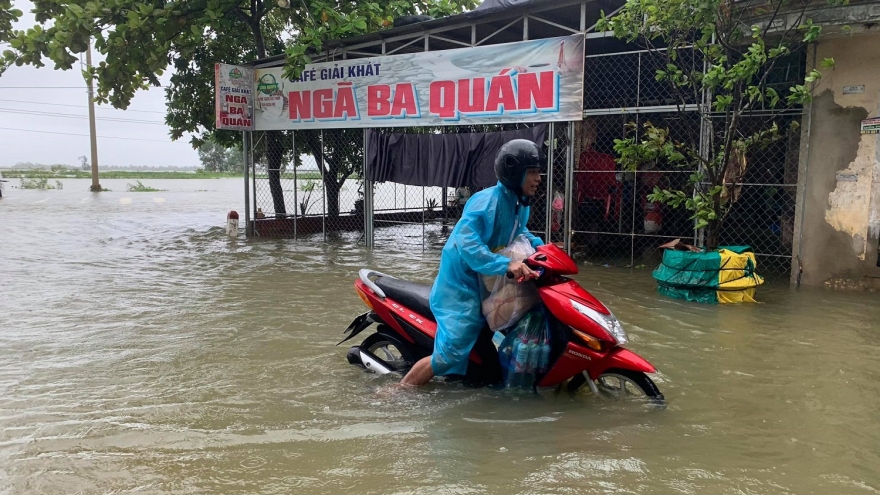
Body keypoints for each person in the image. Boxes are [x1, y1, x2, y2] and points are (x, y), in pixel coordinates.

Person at [400, 139, 545, 387]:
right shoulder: (486, 201)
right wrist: (505, 265)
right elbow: (468, 243)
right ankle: (400, 389)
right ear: (514, 172)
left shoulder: (520, 204)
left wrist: (544, 247)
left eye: (538, 171)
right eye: (532, 172)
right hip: (461, 287)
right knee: (450, 355)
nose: (538, 178)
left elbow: (519, 233)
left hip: (486, 282)